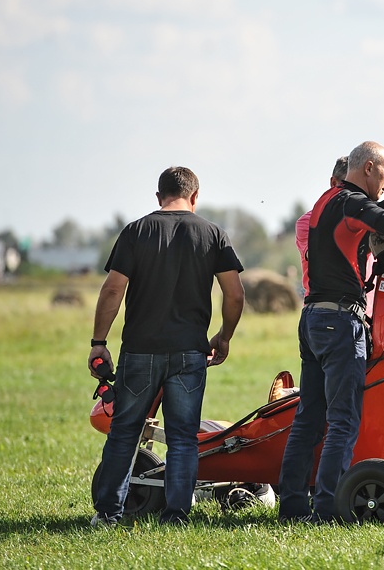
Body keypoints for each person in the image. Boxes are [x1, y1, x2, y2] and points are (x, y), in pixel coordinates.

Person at [88, 166, 245, 527]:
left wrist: (99, 343)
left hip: (140, 350)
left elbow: (113, 289)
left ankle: (109, 514)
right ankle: (176, 515)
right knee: (183, 437)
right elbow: (234, 294)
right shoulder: (213, 234)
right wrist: (224, 337)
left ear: (158, 197)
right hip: (190, 352)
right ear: (194, 196)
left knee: (125, 432)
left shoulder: (136, 231)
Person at [278, 141, 384, 523]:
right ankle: (328, 509)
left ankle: (292, 505)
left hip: (313, 318)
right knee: (343, 420)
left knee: (309, 417)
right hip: (340, 321)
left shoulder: (329, 199)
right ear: (369, 168)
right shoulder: (351, 202)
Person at [296, 156, 349, 297]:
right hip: (324, 310)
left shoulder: (371, 216)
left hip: (370, 314)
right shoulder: (307, 221)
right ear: (333, 183)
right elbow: (321, 257)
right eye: (349, 187)